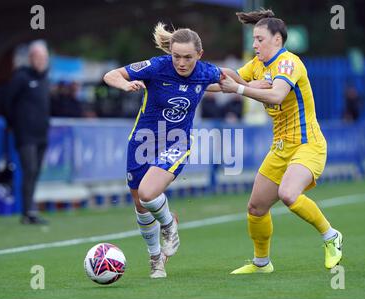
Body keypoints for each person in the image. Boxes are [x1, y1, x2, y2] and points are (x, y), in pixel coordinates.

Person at [103, 22, 246, 278]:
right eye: (176, 56)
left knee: (148, 193)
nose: (181, 62)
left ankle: (169, 225)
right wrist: (125, 85)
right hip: (142, 141)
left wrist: (251, 86)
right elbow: (111, 75)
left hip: (176, 142)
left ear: (199, 55)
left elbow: (227, 73)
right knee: (140, 204)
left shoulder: (205, 72)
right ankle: (156, 258)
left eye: (188, 57)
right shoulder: (156, 66)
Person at [218, 9, 343, 274]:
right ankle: (262, 263)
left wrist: (239, 88)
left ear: (277, 40)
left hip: (307, 144)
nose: (254, 45)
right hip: (281, 147)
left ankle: (330, 235)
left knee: (288, 194)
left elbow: (275, 95)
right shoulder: (257, 65)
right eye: (254, 39)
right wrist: (187, 79)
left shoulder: (288, 63)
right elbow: (225, 81)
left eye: (259, 39)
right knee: (256, 207)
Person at [5, 41, 50, 225]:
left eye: (44, 58)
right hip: (25, 134)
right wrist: (13, 124)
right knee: (29, 170)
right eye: (38, 57)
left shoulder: (44, 79)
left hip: (41, 134)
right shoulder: (21, 77)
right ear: (31, 58)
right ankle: (26, 211)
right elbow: (8, 102)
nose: (41, 61)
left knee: (36, 171)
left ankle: (30, 210)